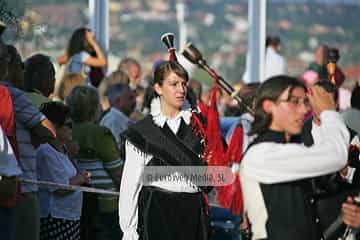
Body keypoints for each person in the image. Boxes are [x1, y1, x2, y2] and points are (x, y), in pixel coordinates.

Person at [239, 75, 349, 240]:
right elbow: (336, 155)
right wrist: (328, 111)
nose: (304, 110)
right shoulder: (262, 154)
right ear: (268, 106)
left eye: (305, 102)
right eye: (294, 102)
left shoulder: (291, 148)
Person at [119, 61, 210, 240]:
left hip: (192, 211)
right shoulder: (143, 131)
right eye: (174, 84)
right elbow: (131, 185)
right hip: (158, 210)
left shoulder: (199, 125)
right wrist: (129, 230)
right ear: (158, 88)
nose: (181, 90)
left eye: (184, 84)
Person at [66, 86, 123, 240]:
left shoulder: (67, 131)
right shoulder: (100, 133)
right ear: (94, 107)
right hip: (105, 206)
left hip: (78, 204)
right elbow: (118, 173)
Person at [36, 101, 90, 240]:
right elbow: (60, 189)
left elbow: (76, 174)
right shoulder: (46, 152)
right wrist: (82, 178)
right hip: (56, 218)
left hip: (70, 217)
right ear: (55, 126)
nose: (72, 129)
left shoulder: (64, 150)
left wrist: (73, 156)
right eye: (68, 125)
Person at [99, 83, 135, 149]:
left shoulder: (119, 119)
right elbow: (115, 152)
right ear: (118, 101)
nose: (134, 101)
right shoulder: (113, 121)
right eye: (130, 98)